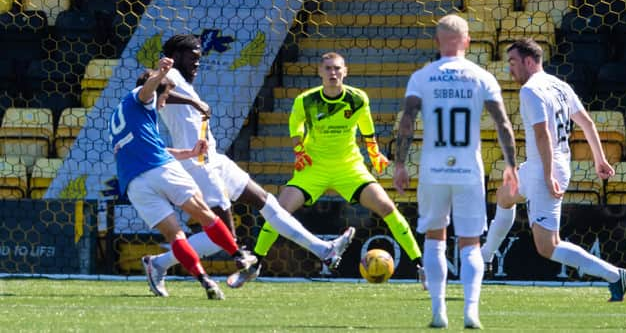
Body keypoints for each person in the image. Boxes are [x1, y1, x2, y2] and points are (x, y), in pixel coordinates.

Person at [143, 34, 356, 295]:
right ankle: (175, 262)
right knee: (221, 232)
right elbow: (149, 87)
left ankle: (324, 250)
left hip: (215, 159)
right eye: (192, 57)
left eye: (199, 57)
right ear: (175, 57)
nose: (197, 62)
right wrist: (193, 101)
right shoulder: (171, 76)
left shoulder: (183, 80)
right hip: (197, 166)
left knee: (266, 202)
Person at [240, 51, 424, 288]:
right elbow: (295, 124)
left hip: (349, 167)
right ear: (320, 72)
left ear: (345, 72)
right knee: (279, 209)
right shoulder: (305, 100)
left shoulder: (358, 99)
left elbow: (367, 128)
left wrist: (375, 153)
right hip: (313, 168)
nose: (333, 73)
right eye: (328, 68)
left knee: (386, 206)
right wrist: (299, 149)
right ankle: (255, 265)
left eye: (337, 68)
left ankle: (420, 266)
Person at [480, 37, 626, 302]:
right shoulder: (560, 86)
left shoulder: (531, 90)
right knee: (505, 195)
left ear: (529, 61)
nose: (510, 69)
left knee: (548, 246)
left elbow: (544, 136)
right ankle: (484, 260)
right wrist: (599, 160)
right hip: (544, 165)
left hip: (545, 169)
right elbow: (587, 122)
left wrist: (548, 175)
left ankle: (615, 275)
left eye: (513, 62)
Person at [393, 14, 519, 329]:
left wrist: (399, 163)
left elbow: (407, 121)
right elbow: (503, 123)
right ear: (468, 42)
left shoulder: (422, 77)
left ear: (437, 42)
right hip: (468, 169)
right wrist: (511, 165)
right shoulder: (482, 77)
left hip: (433, 168)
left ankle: (438, 310)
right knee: (470, 242)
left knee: (435, 237)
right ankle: (471, 312)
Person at [109, 57, 256, 300]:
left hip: (134, 182)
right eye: (165, 96)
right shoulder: (142, 97)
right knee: (205, 215)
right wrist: (161, 74)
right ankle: (239, 255)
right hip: (161, 170)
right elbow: (148, 90)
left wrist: (189, 153)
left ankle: (205, 280)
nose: (164, 102)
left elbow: (155, 147)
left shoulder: (123, 113)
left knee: (175, 235)